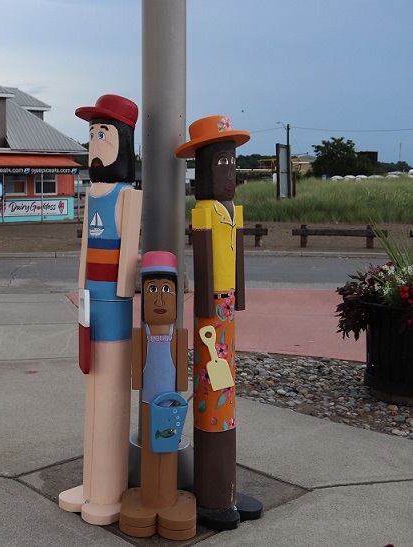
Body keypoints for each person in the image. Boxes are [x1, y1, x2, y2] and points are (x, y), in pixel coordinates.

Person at [58, 94, 142, 526]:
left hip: (114, 305)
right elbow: (85, 248)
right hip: (91, 301)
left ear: (124, 140)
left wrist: (121, 294)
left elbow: (129, 254)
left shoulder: (129, 195)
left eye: (103, 133)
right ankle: (90, 485)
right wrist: (80, 291)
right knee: (92, 382)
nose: (94, 143)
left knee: (108, 385)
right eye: (91, 134)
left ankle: (108, 489)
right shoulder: (93, 194)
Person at [175, 115, 262, 530]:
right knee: (215, 388)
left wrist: (237, 299)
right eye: (221, 163)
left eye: (232, 163)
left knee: (226, 389)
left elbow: (237, 259)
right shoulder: (205, 211)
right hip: (213, 315)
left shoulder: (233, 211)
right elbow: (206, 259)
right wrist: (211, 308)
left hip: (227, 311)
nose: (229, 172)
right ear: (204, 168)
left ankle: (224, 491)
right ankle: (212, 494)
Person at [119, 251, 195, 540]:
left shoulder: (179, 335)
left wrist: (175, 393)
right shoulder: (141, 335)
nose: (160, 299)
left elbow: (182, 381)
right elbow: (136, 378)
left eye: (167, 289)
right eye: (152, 289)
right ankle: (151, 498)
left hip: (171, 403)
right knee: (152, 449)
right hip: (150, 404)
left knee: (167, 448)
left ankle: (168, 498)